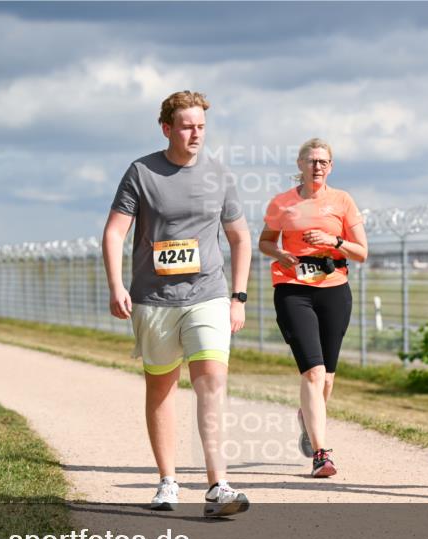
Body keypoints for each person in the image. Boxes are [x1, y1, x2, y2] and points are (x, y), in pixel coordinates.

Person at [102, 90, 252, 517]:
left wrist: (238, 297)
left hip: (209, 294)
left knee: (211, 384)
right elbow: (114, 233)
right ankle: (168, 481)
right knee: (162, 388)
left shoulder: (219, 175)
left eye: (201, 126)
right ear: (167, 128)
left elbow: (240, 238)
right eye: (187, 126)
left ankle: (218, 484)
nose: (195, 134)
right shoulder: (142, 172)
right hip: (155, 299)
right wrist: (117, 286)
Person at [258, 139, 368, 478]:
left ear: (331, 166)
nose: (317, 166)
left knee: (328, 379)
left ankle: (307, 419)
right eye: (311, 161)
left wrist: (333, 242)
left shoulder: (343, 201)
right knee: (313, 372)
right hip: (293, 290)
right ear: (300, 165)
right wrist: (280, 255)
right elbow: (264, 241)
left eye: (323, 161)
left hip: (334, 291)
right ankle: (322, 454)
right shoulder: (282, 203)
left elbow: (362, 251)